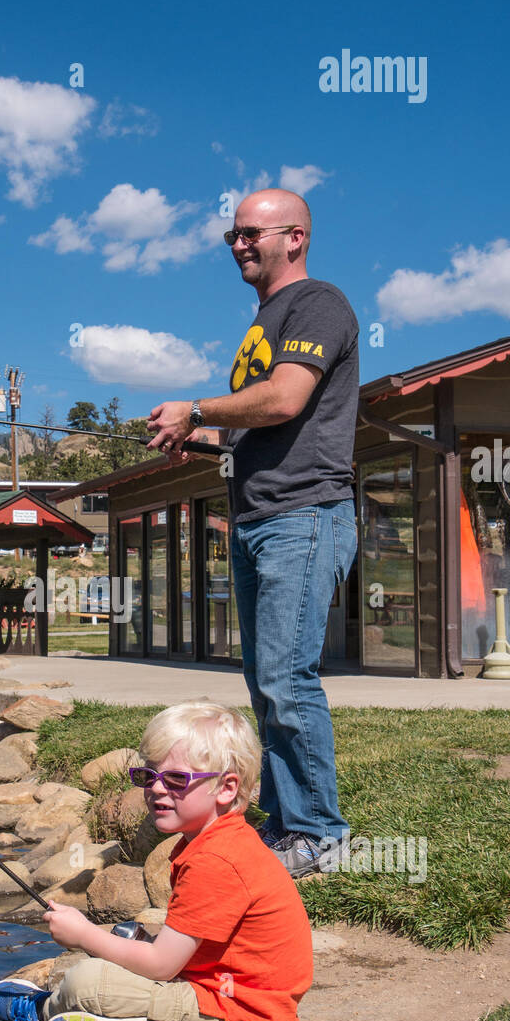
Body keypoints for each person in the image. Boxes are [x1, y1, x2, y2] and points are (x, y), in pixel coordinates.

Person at [145, 189, 358, 877]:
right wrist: (204, 437)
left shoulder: (318, 302)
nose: (238, 244)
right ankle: (288, 821)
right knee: (264, 680)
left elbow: (287, 397)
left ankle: (320, 836)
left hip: (304, 514)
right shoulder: (265, 319)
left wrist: (197, 405)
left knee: (286, 678)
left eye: (250, 233)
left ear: (294, 238)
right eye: (230, 236)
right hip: (258, 518)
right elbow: (260, 425)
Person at [0, 702, 313, 1021]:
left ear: (226, 788)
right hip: (246, 1010)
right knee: (126, 943)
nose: (157, 790)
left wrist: (83, 935)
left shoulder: (215, 860)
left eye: (176, 780)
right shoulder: (219, 841)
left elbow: (161, 965)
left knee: (88, 982)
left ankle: (44, 1013)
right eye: (148, 776)